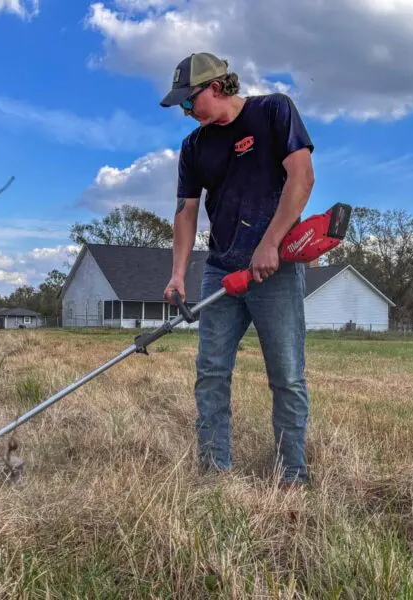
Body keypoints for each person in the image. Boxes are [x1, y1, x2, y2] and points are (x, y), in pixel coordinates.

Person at [160, 52, 316, 488]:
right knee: (211, 373)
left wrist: (270, 244)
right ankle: (214, 474)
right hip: (221, 269)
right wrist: (177, 274)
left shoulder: (273, 111)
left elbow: (301, 177)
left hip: (276, 270)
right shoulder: (194, 146)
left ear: (215, 87)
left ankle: (293, 477)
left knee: (286, 376)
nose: (187, 113)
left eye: (189, 103)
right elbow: (186, 213)